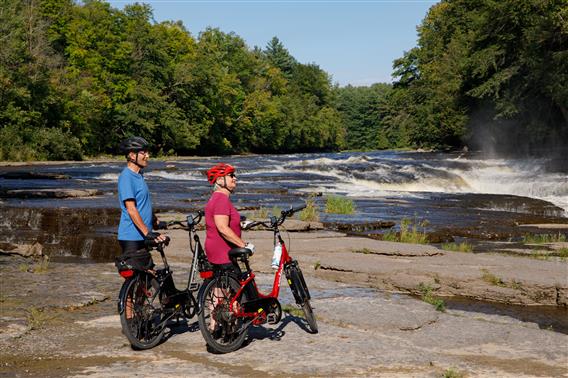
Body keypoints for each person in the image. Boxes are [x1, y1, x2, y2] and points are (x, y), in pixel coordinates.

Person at [116, 136, 166, 270]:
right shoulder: (126, 177)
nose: (148, 156)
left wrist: (155, 221)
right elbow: (131, 209)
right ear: (132, 155)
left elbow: (143, 203)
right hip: (132, 236)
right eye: (144, 153)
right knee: (139, 279)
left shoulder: (139, 175)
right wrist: (147, 233)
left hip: (142, 235)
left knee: (146, 280)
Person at [204, 163, 254, 272]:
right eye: (231, 175)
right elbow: (222, 227)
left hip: (217, 250)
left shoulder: (216, 197)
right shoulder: (221, 199)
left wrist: (239, 223)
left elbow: (221, 220)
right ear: (220, 181)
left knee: (219, 287)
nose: (235, 178)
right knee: (236, 285)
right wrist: (243, 245)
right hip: (223, 252)